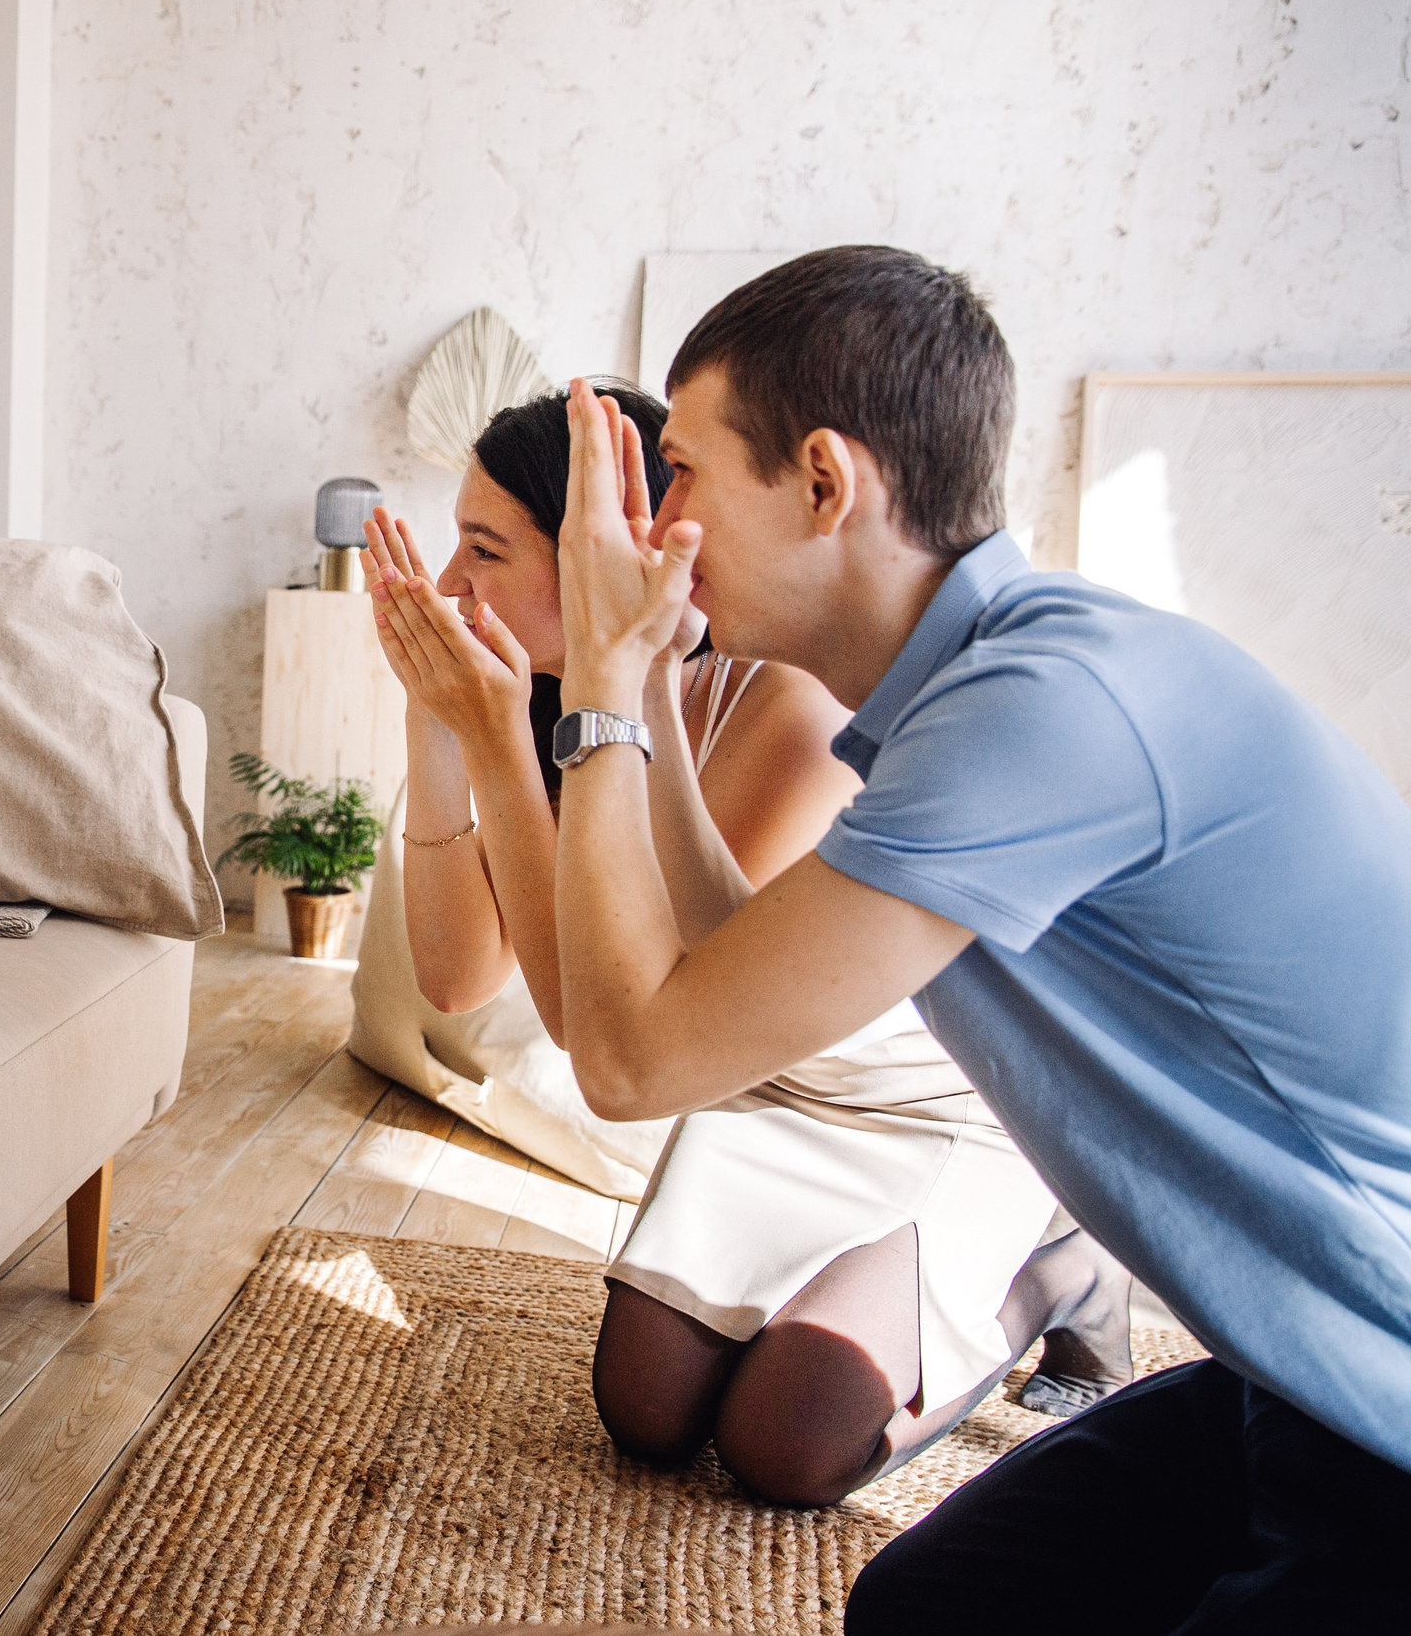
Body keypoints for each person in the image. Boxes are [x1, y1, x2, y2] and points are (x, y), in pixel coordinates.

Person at [518, 246, 1403, 1628]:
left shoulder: (1044, 712)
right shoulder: (984, 690)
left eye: (679, 469)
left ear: (824, 481)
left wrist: (603, 681)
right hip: (1282, 1373)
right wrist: (630, 681)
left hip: (1383, 1400)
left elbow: (634, 1060)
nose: (656, 517)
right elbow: (720, 966)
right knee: (920, 1608)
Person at [364, 385, 1127, 1510]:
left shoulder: (784, 710)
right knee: (647, 1411)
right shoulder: (561, 706)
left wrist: (492, 738)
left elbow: (609, 1036)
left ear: (590, 556)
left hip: (922, 1104)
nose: (447, 587)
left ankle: (1060, 1267)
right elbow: (456, 979)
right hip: (766, 1095)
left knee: (786, 1446)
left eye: (481, 548)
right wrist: (442, 726)